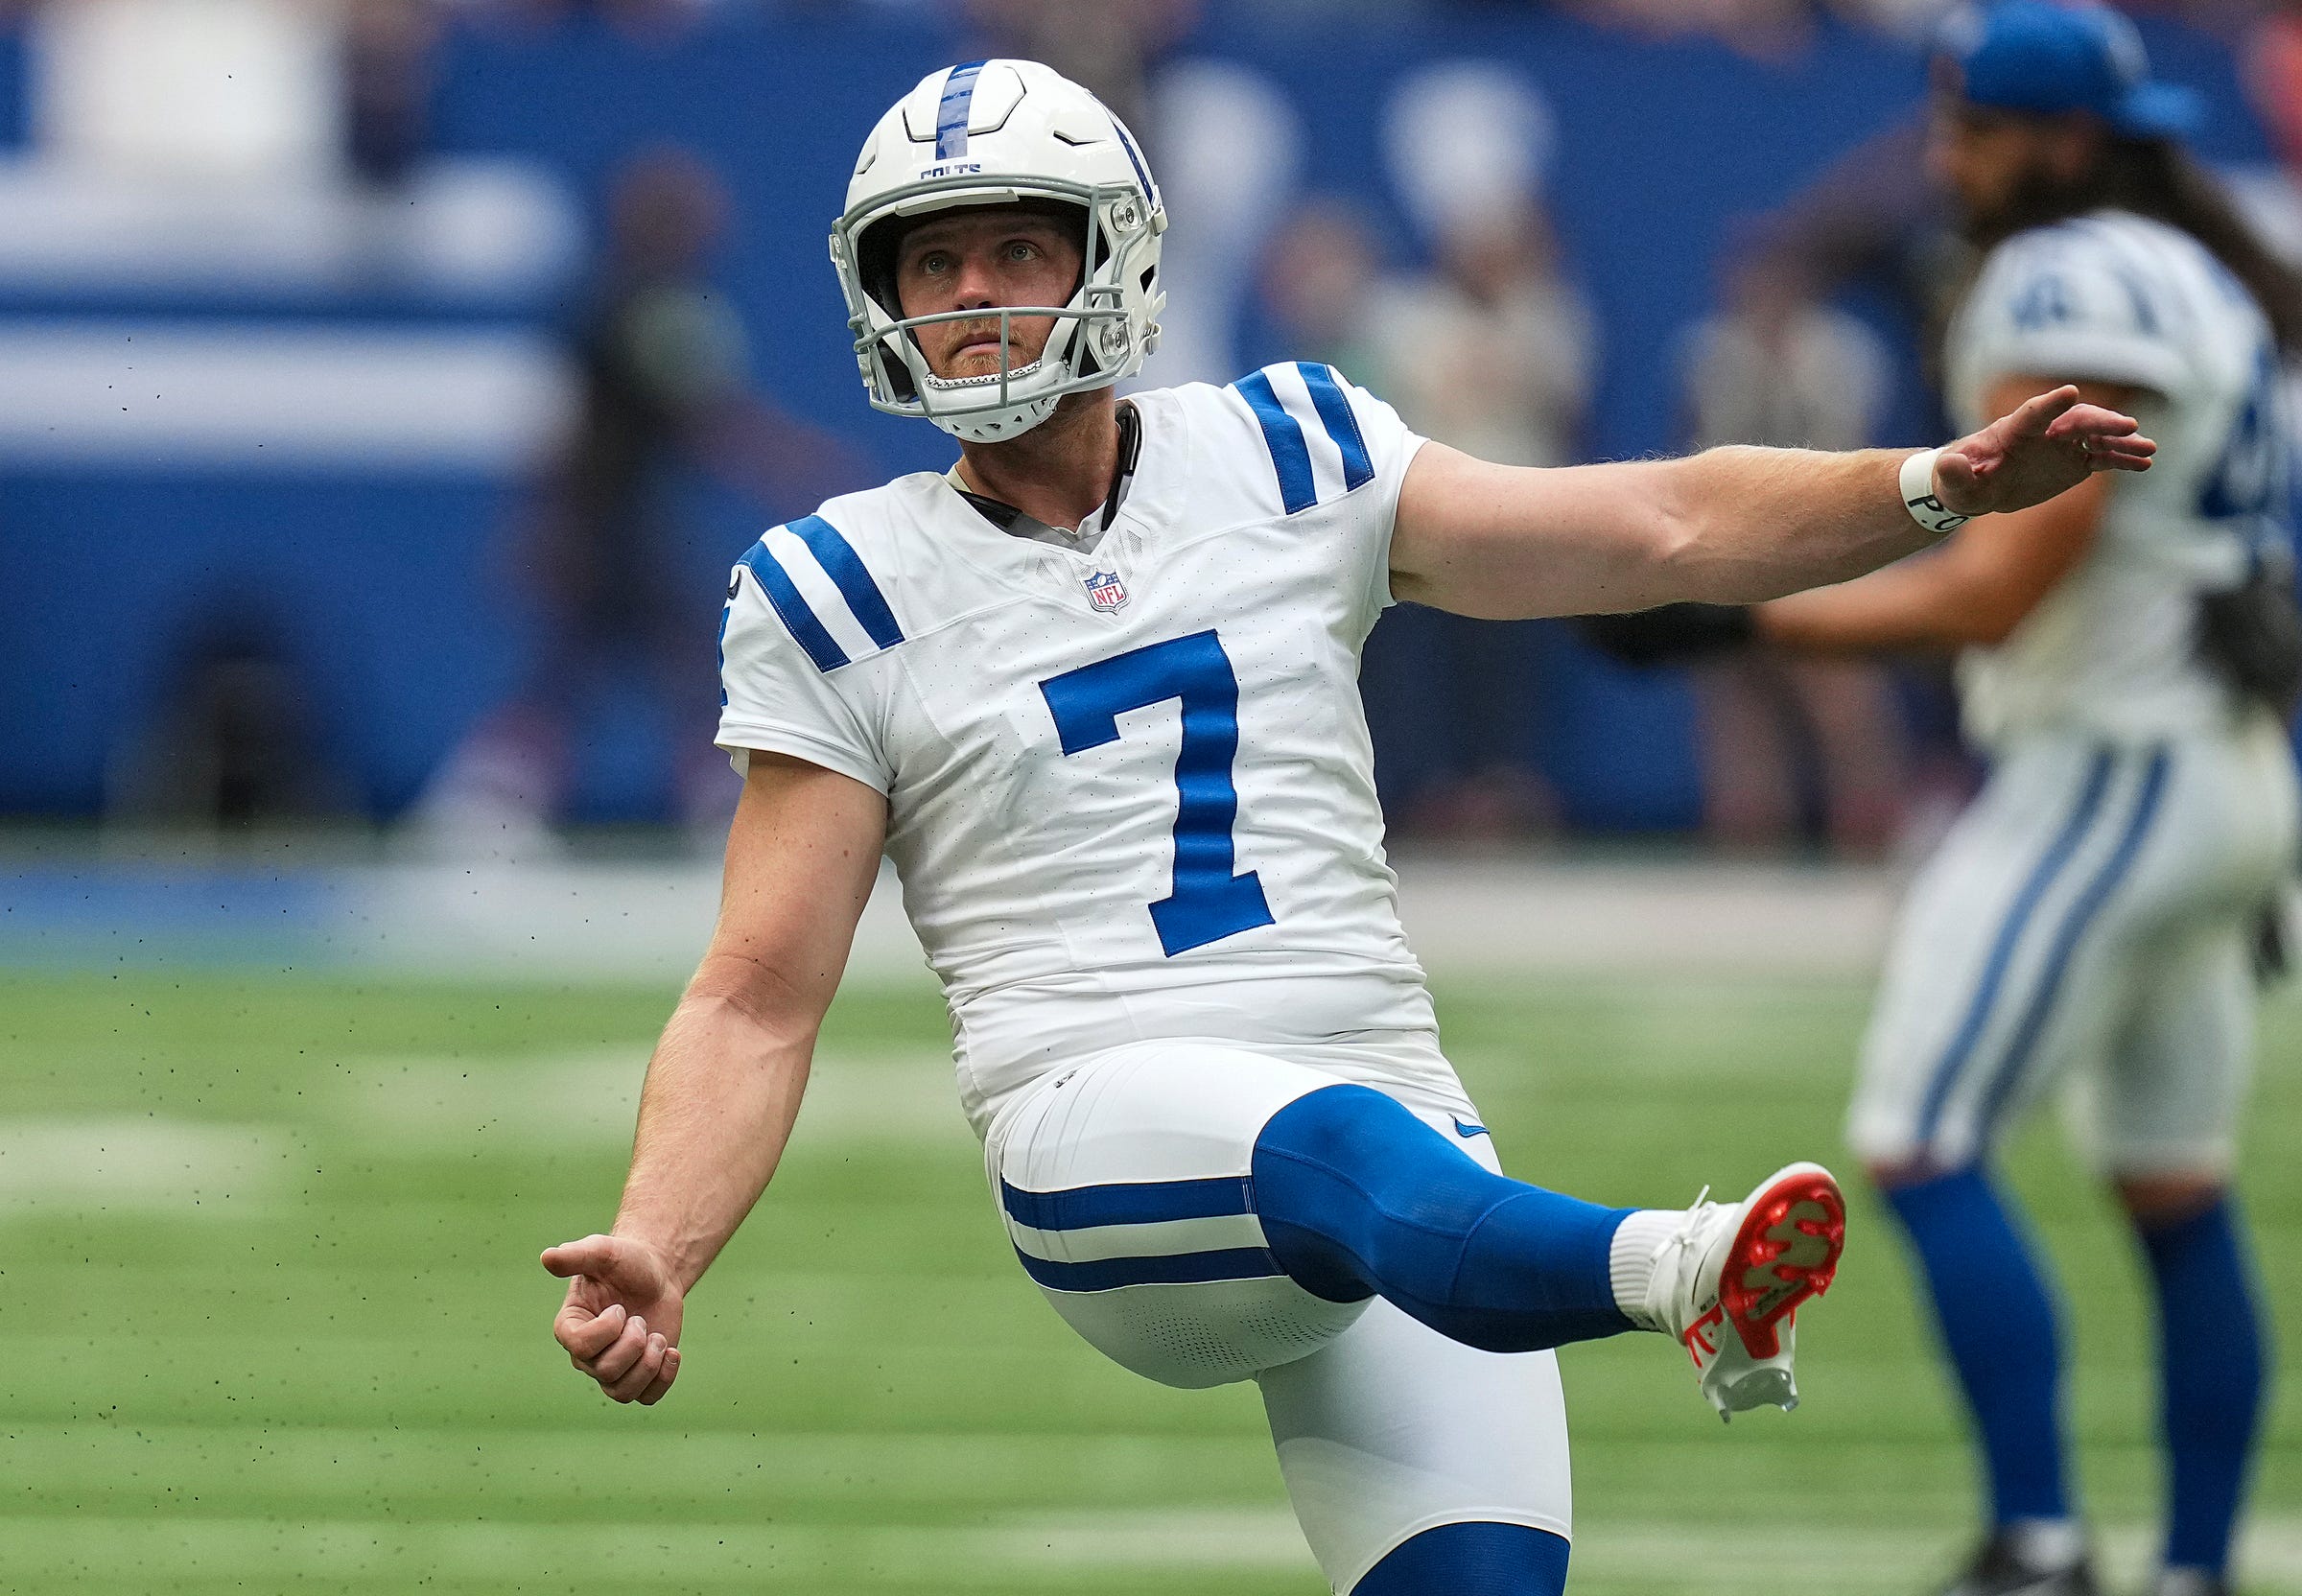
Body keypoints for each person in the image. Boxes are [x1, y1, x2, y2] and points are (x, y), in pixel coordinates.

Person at [539, 59, 2152, 1596]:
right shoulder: (841, 586)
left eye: (1013, 245)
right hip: (1103, 1130)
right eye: (933, 260)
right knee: (1333, 1142)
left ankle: (1644, 1270)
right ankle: (1684, 1271)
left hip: (1395, 1130)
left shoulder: (1291, 451)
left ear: (1113, 253)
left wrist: (1929, 484)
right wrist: (661, 1242)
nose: (969, 295)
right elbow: (757, 989)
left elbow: (1658, 522)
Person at [1587, 8, 2300, 1595]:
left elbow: (1997, 591)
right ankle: (2192, 1568)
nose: (1942, 156)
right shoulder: (2200, 270)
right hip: (2220, 765)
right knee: (2175, 1187)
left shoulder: (2067, 279)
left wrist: (1735, 617)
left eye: (1970, 128)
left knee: (1917, 1137)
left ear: (2056, 141)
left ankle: (2039, 1544)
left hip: (2115, 759)